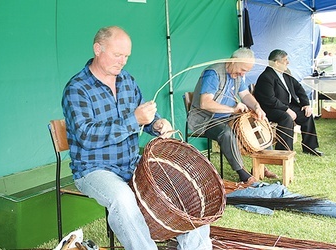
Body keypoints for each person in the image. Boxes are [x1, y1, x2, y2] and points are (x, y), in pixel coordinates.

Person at [61, 26, 212, 250]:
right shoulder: (77, 89)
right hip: (94, 169)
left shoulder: (127, 81)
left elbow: (145, 117)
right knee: (122, 198)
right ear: (98, 49)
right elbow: (86, 136)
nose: (122, 61)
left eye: (126, 56)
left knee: (181, 191)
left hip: (131, 165)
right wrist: (134, 119)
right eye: (117, 54)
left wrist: (157, 123)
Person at [188, 48, 278, 184]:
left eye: (246, 71)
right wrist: (232, 109)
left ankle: (261, 166)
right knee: (226, 133)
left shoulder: (237, 75)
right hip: (205, 120)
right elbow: (205, 103)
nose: (243, 74)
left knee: (257, 122)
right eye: (242, 70)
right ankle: (243, 174)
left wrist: (257, 107)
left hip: (227, 117)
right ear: (234, 61)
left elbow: (246, 95)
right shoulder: (213, 73)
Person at [253, 49, 323, 156]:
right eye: (285, 60)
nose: (288, 62)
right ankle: (284, 152)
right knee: (286, 117)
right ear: (276, 62)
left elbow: (299, 88)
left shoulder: (285, 74)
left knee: (307, 114)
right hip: (270, 109)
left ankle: (310, 147)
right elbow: (270, 99)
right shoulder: (266, 77)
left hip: (286, 106)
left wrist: (306, 104)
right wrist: (287, 110)